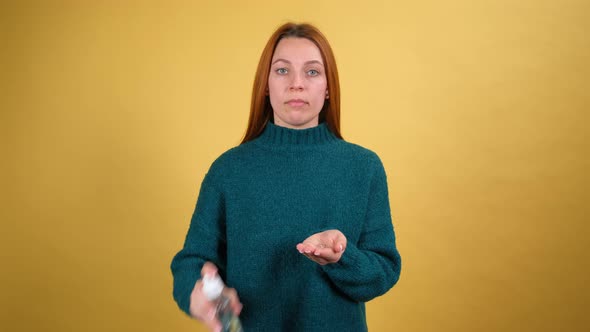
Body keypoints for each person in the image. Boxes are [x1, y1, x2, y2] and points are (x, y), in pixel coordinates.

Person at [171, 22, 402, 332]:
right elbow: (192, 262)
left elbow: (384, 270)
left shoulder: (364, 167)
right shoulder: (228, 170)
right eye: (282, 71)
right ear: (266, 84)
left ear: (328, 86)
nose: (296, 83)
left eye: (312, 72)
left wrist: (341, 258)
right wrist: (196, 293)